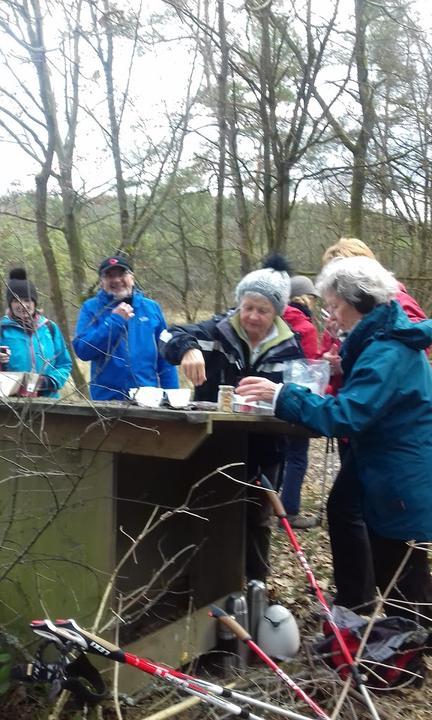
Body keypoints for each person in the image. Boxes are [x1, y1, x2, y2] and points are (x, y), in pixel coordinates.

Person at [237, 256, 432, 625]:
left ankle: (404, 656)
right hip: (388, 469)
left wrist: (282, 395)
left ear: (357, 302)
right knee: (361, 527)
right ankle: (376, 630)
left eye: (335, 306)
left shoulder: (387, 351)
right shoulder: (382, 343)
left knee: (402, 573)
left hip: (399, 476)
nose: (331, 316)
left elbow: (347, 415)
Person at [159, 258, 305, 581]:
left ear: (277, 312)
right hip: (213, 447)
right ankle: (206, 588)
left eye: (262, 310)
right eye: (247, 306)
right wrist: (187, 349)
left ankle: (255, 590)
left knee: (256, 522)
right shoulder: (216, 331)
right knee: (209, 517)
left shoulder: (289, 347)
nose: (252, 316)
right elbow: (167, 336)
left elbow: (300, 396)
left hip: (265, 451)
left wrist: (279, 394)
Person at [73, 255, 179, 401]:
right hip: (106, 402)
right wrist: (115, 321)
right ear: (102, 282)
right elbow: (82, 350)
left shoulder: (151, 308)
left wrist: (172, 397)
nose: (116, 280)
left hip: (147, 399)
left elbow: (166, 356)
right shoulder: (91, 308)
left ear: (132, 277)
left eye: (121, 274)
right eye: (109, 275)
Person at [280, 275, 320, 528]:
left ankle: (268, 507)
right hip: (297, 396)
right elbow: (310, 365)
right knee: (297, 456)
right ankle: (289, 512)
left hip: (273, 394)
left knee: (278, 454)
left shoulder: (275, 318)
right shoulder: (306, 327)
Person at [0, 268, 72, 398]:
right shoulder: (2, 328)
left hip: (48, 401)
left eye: (27, 300)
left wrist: (49, 381)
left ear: (34, 302)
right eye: (16, 300)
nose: (23, 305)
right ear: (10, 304)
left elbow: (64, 363)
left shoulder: (50, 328)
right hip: (10, 404)